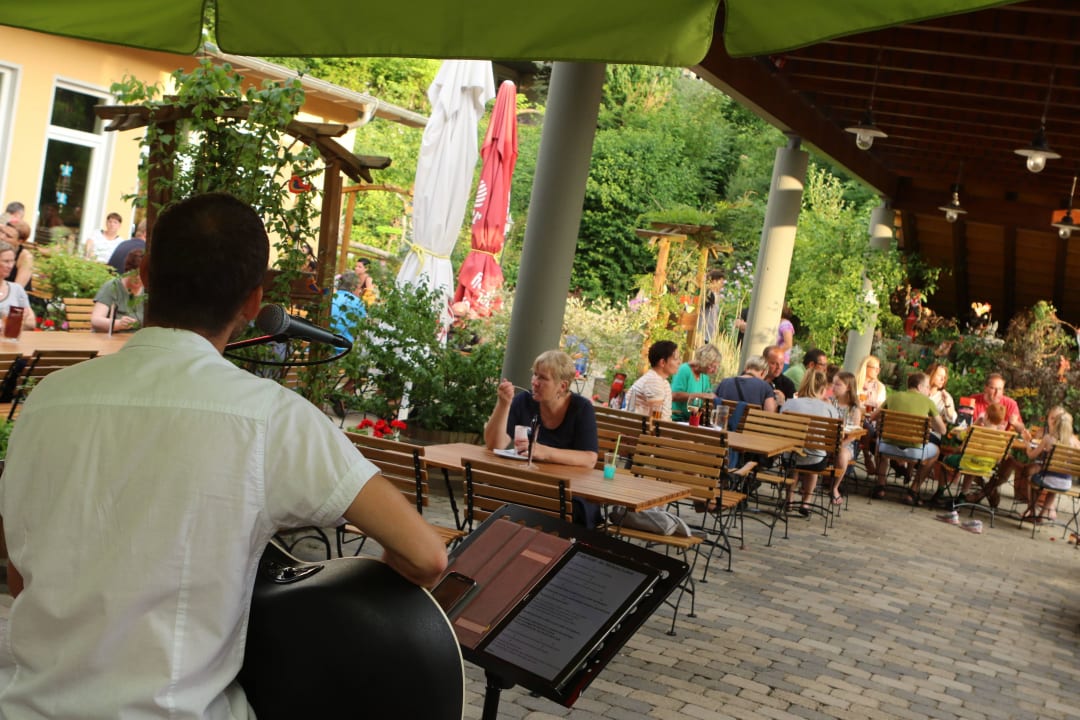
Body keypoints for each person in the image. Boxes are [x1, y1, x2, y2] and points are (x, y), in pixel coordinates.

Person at [0, 193, 447, 717]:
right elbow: (426, 555)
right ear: (254, 303)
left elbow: (19, 575)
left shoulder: (47, 400)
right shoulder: (271, 417)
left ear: (143, 273)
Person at [485, 350, 599, 468]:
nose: (534, 382)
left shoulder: (581, 408)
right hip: (525, 477)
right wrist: (503, 405)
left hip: (563, 482)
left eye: (543, 378)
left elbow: (589, 459)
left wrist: (545, 452)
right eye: (535, 374)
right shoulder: (524, 401)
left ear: (562, 386)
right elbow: (494, 445)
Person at [870, 371, 946, 503]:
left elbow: (873, 417)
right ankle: (913, 491)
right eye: (927, 387)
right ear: (920, 387)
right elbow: (943, 430)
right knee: (936, 452)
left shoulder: (894, 397)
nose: (928, 390)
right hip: (915, 451)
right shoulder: (928, 402)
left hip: (888, 448)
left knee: (879, 442)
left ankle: (880, 486)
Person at [781, 369, 841, 514]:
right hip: (816, 461)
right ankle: (806, 503)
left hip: (789, 458)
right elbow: (835, 438)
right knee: (816, 455)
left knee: (794, 457)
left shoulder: (790, 404)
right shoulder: (829, 409)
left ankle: (789, 500)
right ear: (823, 388)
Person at [1022, 410, 1080, 523]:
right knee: (1053, 487)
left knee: (1031, 477)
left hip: (1046, 480)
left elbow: (1031, 455)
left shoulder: (1048, 438)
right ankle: (1042, 515)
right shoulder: (1076, 442)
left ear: (1056, 424)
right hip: (1066, 484)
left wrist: (1027, 445)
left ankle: (1032, 511)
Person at [828, 370, 863, 505]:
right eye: (833, 384)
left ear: (848, 387)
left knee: (842, 455)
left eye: (838, 385)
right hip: (828, 440)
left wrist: (840, 445)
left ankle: (835, 487)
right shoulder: (830, 402)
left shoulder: (854, 409)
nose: (833, 387)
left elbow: (854, 434)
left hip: (845, 443)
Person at [90, 248, 146, 332]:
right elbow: (96, 320)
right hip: (109, 340)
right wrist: (118, 324)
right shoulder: (112, 287)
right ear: (128, 270)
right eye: (135, 273)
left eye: (142, 275)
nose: (138, 278)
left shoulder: (148, 290)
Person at [625, 340, 680, 422]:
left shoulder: (661, 381)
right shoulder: (653, 381)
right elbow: (654, 420)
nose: (679, 362)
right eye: (676, 359)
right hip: (641, 432)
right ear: (662, 362)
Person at [856, 354, 888, 476]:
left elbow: (881, 407)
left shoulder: (880, 387)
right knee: (865, 428)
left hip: (873, 421)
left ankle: (867, 456)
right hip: (857, 420)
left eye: (879, 368)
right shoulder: (856, 382)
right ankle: (866, 456)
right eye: (875, 368)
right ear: (866, 367)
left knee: (869, 430)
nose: (878, 370)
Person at [671, 344, 721, 422]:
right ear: (705, 361)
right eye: (713, 366)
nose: (714, 371)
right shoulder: (684, 370)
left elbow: (707, 397)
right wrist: (701, 395)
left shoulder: (704, 377)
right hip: (677, 420)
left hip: (692, 420)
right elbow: (674, 395)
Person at [0, 240, 36, 330]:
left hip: (9, 341)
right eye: (6, 261)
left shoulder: (16, 289)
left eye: (12, 261)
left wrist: (10, 323)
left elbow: (31, 323)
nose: (10, 266)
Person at [330, 270, 367, 343]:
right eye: (359, 288)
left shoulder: (331, 298)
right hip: (344, 348)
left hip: (323, 343)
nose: (359, 291)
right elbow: (361, 329)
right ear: (353, 287)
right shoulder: (358, 303)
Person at [0, 221, 32, 292]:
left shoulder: (25, 257)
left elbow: (17, 289)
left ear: (20, 241)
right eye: (2, 232)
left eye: (8, 236)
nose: (1, 237)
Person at [925, 362, 957, 428]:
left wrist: (947, 404)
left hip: (932, 433)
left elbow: (952, 418)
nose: (943, 380)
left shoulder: (945, 396)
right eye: (940, 376)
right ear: (931, 374)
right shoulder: (919, 391)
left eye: (944, 377)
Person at [701, 269, 724, 344]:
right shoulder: (708, 293)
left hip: (709, 334)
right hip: (703, 333)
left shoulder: (715, 295)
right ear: (714, 281)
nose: (722, 285)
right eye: (720, 282)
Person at [777, 303, 795, 369]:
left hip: (781, 361)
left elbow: (788, 344)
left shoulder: (785, 324)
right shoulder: (779, 323)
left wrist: (775, 353)